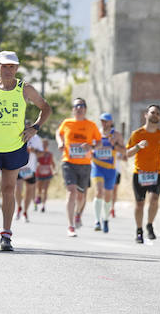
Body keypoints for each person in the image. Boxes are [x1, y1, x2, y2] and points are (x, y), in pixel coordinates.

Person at [0, 50, 51, 251]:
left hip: (15, 146)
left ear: (17, 68)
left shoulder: (25, 89)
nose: (8, 70)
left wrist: (35, 128)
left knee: (8, 189)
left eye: (12, 66)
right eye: (4, 66)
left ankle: (6, 234)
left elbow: (46, 108)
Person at [57, 98, 102, 237]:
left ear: (85, 109)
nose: (79, 108)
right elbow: (58, 133)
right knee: (71, 192)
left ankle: (78, 214)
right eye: (77, 106)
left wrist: (92, 146)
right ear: (73, 109)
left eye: (82, 105)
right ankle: (70, 226)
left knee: (81, 196)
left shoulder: (91, 125)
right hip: (68, 162)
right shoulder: (67, 123)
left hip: (85, 164)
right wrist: (60, 142)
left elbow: (99, 142)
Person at [125, 104, 160, 244]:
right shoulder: (137, 134)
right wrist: (138, 146)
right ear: (146, 115)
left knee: (154, 200)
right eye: (152, 112)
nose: (154, 115)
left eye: (157, 113)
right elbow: (127, 153)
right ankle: (139, 230)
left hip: (156, 173)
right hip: (140, 173)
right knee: (139, 204)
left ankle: (149, 225)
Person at [91, 112, 125, 233]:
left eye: (106, 121)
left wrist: (114, 145)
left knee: (108, 197)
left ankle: (105, 219)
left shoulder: (117, 135)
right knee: (99, 191)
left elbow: (124, 151)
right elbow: (90, 147)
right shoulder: (96, 133)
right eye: (102, 120)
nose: (103, 123)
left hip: (110, 169)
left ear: (111, 122)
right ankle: (96, 220)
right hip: (97, 167)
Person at [14, 130, 43, 222]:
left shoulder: (36, 138)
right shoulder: (17, 134)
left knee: (29, 191)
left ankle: (25, 212)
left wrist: (33, 150)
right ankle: (19, 207)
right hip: (19, 166)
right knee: (17, 189)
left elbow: (41, 153)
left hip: (30, 168)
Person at [35, 138, 56, 212]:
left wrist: (54, 171)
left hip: (48, 173)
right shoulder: (38, 153)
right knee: (39, 189)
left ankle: (43, 206)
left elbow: (53, 163)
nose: (44, 145)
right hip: (39, 173)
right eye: (43, 144)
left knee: (45, 190)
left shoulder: (50, 154)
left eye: (46, 144)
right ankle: (37, 200)